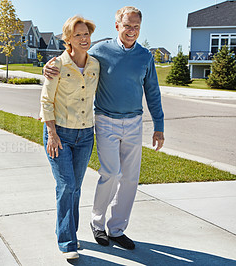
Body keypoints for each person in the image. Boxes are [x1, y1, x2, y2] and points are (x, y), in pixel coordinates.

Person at [43, 6, 165, 250]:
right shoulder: (100, 50)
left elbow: (152, 92)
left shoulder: (145, 57)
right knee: (110, 173)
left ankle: (117, 229)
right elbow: (74, 53)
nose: (132, 31)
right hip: (105, 120)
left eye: (136, 27)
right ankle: (97, 224)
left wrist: (159, 125)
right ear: (117, 25)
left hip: (134, 122)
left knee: (130, 178)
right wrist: (48, 65)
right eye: (127, 25)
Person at [40, 15, 100, 260]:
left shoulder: (96, 65)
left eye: (86, 34)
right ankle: (67, 242)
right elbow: (46, 101)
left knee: (75, 188)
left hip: (86, 135)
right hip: (60, 133)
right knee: (66, 185)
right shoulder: (57, 65)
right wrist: (52, 134)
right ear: (68, 40)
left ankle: (69, 233)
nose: (84, 39)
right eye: (78, 35)